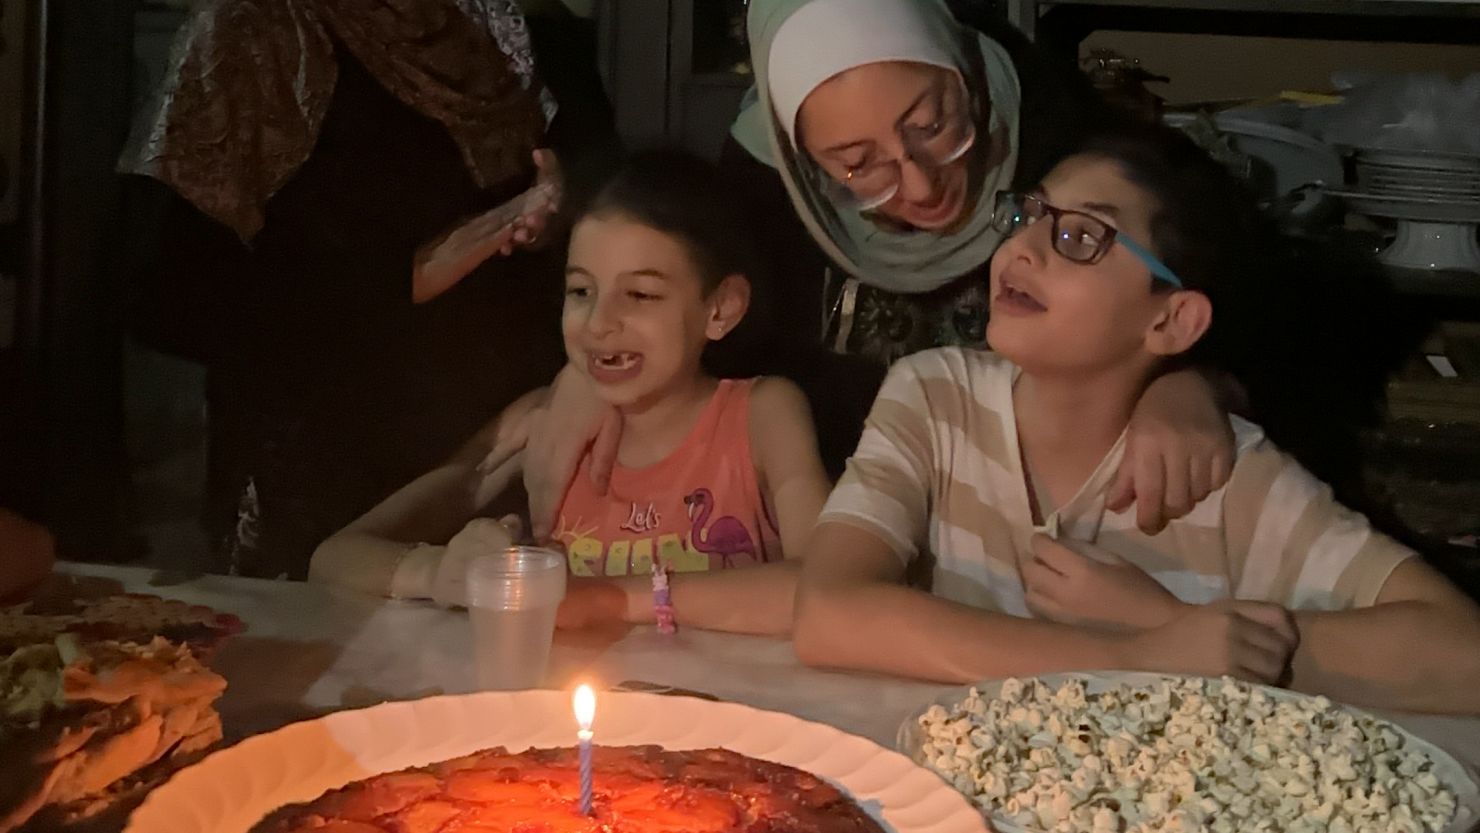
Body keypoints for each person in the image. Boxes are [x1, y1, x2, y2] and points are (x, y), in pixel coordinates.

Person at [791, 121, 1480, 715]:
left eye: (1081, 236)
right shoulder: (937, 398)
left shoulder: (1226, 476)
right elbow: (828, 612)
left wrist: (1185, 626)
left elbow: (1463, 656)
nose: (1024, 248)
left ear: (1171, 319)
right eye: (1028, 214)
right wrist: (1139, 652)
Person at [517, 0, 1239, 546]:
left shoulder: (1070, 148)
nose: (923, 188)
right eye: (858, 165)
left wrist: (1188, 382)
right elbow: (690, 313)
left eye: (933, 124)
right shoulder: (757, 189)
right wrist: (596, 374)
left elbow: (1239, 297)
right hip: (836, 544)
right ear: (799, 157)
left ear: (964, 71)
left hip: (1030, 553)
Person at [120, 0, 618, 579]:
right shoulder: (253, 29)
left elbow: (611, 187)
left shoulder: (510, 22)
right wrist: (422, 267)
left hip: (500, 438)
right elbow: (174, 288)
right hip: (325, 449)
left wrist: (560, 208)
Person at [310, 152, 830, 637]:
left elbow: (825, 586)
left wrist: (606, 600)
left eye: (641, 295)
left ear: (720, 309)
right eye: (581, 291)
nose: (600, 323)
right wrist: (439, 573)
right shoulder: (539, 422)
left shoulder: (761, 417)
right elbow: (334, 558)